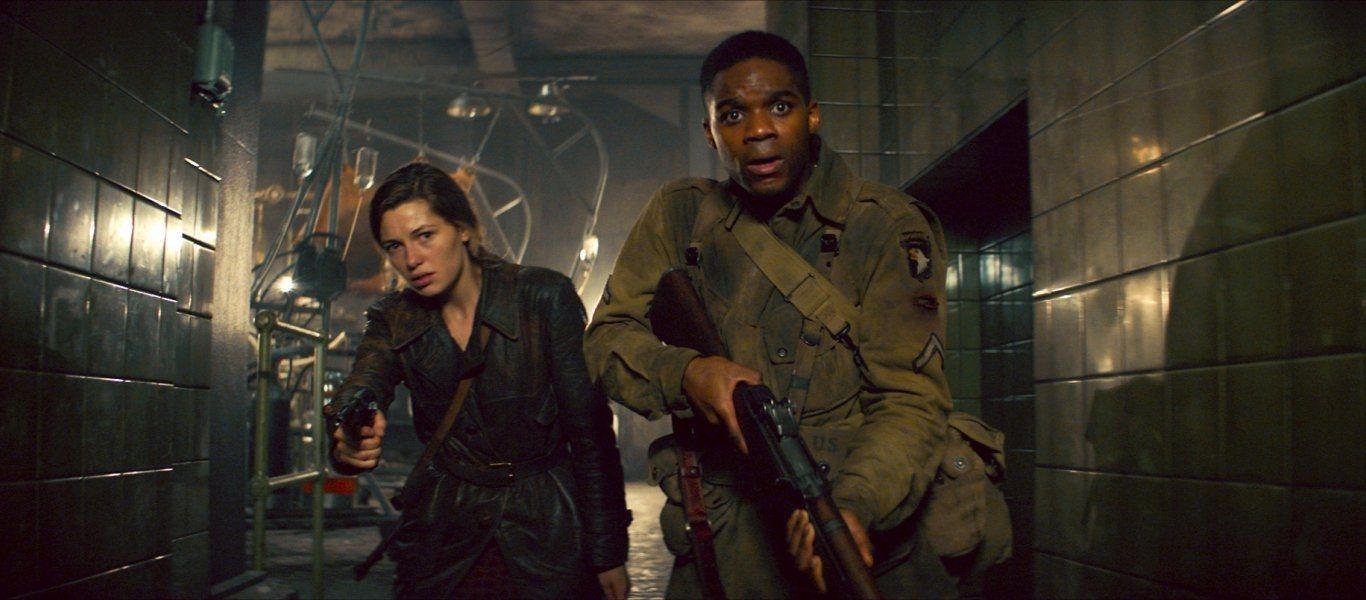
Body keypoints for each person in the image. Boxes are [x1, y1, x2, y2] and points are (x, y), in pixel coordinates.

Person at [585, 31, 957, 598]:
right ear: (710, 132)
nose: (758, 130)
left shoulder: (885, 226)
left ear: (812, 116)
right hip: (720, 551)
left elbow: (911, 400)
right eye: (733, 114)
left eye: (779, 107)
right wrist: (687, 373)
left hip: (850, 522)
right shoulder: (680, 217)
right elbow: (604, 339)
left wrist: (853, 505)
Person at [327, 162, 631, 600]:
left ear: (463, 229)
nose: (411, 260)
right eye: (394, 246)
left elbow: (590, 433)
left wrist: (608, 552)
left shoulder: (542, 297)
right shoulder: (394, 318)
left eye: (425, 236)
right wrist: (348, 432)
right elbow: (364, 381)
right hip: (448, 536)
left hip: (546, 530)